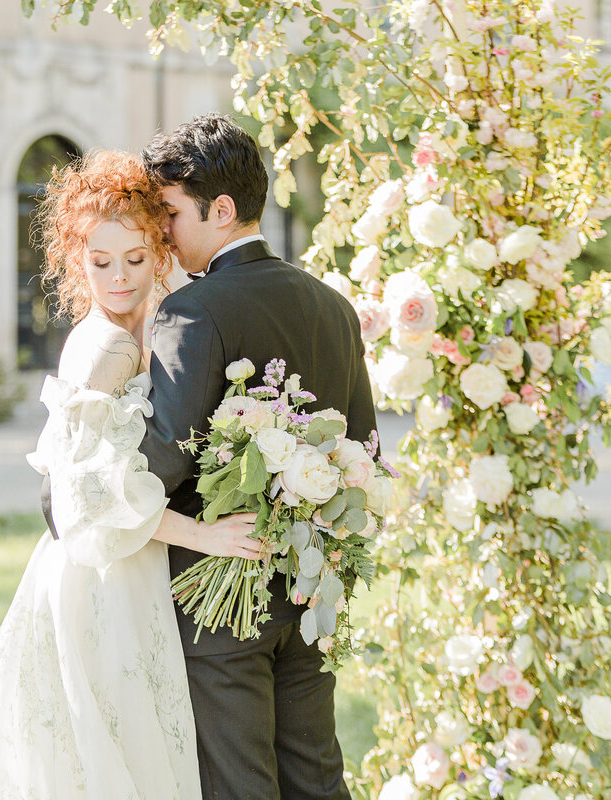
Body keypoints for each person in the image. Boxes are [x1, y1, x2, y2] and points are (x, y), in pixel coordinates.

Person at [0, 150, 263, 800]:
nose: (117, 278)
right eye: (99, 262)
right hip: (98, 579)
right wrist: (209, 536)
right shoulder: (105, 346)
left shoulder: (159, 320)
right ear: (74, 259)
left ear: (158, 250)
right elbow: (84, 499)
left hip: (132, 568)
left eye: (134, 260)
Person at [138, 112, 379, 800]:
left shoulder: (193, 311)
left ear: (220, 209)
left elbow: (164, 461)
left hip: (221, 601)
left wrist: (86, 478)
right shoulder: (334, 306)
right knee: (316, 780)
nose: (162, 232)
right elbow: (362, 450)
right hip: (309, 590)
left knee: (240, 787)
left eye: (170, 213)